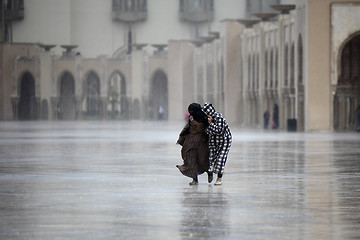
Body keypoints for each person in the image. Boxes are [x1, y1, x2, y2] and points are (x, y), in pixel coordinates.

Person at [176, 103, 210, 185]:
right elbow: (186, 129)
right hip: (190, 145)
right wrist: (180, 139)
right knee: (191, 161)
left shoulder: (203, 118)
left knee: (202, 161)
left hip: (201, 145)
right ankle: (195, 180)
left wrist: (193, 121)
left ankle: (209, 172)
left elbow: (201, 128)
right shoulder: (191, 118)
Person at [202, 102, 232, 185]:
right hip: (213, 141)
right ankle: (210, 173)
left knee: (220, 159)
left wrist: (210, 124)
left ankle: (219, 178)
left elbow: (219, 130)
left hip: (224, 140)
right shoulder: (205, 120)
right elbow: (206, 131)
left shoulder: (219, 117)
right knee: (211, 159)